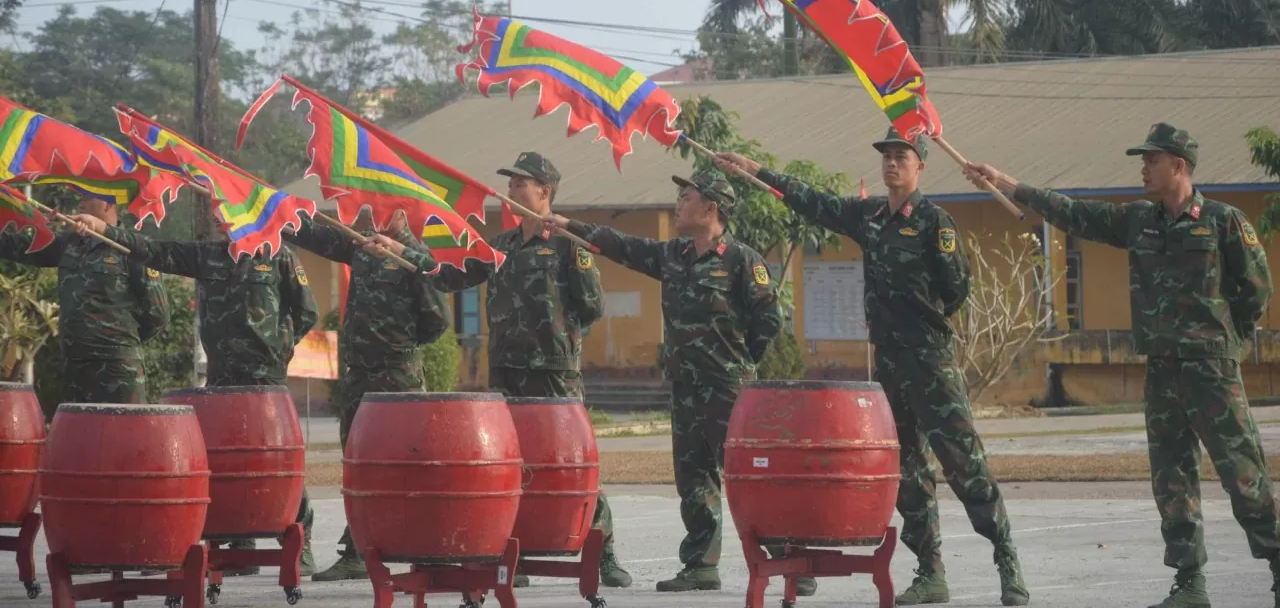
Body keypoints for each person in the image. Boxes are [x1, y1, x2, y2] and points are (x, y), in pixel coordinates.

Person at [964, 122, 1279, 608]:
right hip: (1162, 370)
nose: (1143, 167)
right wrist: (1006, 182)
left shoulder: (1223, 221)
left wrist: (1223, 339)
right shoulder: (1139, 221)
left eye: (1151, 159)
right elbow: (1073, 214)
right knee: (1171, 478)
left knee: (1243, 473)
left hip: (1212, 370)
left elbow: (1257, 291)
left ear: (1179, 165)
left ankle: (1278, 564)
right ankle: (1190, 582)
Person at [717, 127, 1029, 607]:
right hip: (890, 366)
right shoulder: (870, 217)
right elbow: (813, 201)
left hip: (931, 362)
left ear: (919, 165)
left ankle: (1007, 559)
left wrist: (921, 320)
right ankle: (930, 571)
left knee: (964, 464)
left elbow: (957, 290)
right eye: (886, 155)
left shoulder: (934, 222)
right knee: (906, 471)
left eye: (901, 156)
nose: (891, 163)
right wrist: (755, 169)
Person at [369, 151, 631, 589]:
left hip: (552, 373)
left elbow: (592, 307)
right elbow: (451, 276)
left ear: (544, 192)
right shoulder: (502, 247)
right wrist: (405, 250)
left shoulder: (569, 244)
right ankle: (515, 554)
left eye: (519, 183)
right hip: (506, 373)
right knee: (512, 467)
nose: (510, 191)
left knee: (572, 466)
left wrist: (556, 335)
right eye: (510, 183)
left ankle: (603, 553)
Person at [540, 168, 783, 594]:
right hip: (686, 387)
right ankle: (701, 565)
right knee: (693, 477)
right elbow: (622, 245)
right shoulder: (674, 255)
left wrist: (741, 365)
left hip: (728, 388)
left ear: (711, 208)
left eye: (686, 197)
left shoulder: (741, 259)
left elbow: (768, 319)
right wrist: (570, 225)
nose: (678, 203)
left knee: (749, 477)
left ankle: (787, 557)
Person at [73, 212, 320, 577]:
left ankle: (301, 542)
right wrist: (105, 230)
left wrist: (278, 345)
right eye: (218, 213)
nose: (221, 218)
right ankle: (239, 543)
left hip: (264, 377)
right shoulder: (208, 256)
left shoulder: (278, 255)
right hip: (222, 377)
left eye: (229, 211)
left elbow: (306, 312)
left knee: (277, 463)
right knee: (226, 461)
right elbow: (155, 251)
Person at [288, 209, 451, 582]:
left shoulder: (415, 258)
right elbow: (317, 236)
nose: (375, 213)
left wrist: (398, 348)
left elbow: (437, 320)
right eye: (370, 205)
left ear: (402, 211)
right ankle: (358, 550)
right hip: (359, 375)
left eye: (385, 206)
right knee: (358, 460)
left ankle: (427, 546)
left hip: (398, 377)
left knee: (407, 463)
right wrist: (273, 211)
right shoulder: (361, 246)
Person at [0, 195, 168, 403]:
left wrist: (120, 340)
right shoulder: (69, 243)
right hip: (76, 365)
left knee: (124, 432)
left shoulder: (133, 248)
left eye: (88, 197)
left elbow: (158, 315)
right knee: (79, 433)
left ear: (109, 204)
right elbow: (19, 246)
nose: (81, 202)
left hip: (118, 369)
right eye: (79, 197)